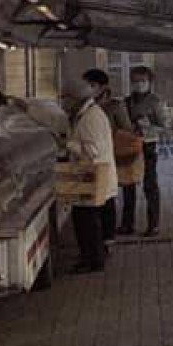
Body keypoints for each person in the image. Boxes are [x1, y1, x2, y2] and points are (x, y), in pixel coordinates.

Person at [60, 79, 117, 273]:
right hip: (89, 177)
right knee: (84, 219)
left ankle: (92, 260)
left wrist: (68, 144)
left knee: (87, 221)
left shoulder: (92, 117)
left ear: (76, 99)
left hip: (91, 177)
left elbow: (93, 150)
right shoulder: (85, 115)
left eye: (66, 99)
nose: (64, 103)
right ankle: (91, 256)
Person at [83, 69, 134, 248]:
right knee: (104, 197)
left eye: (91, 85)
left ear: (101, 86)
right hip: (101, 156)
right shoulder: (87, 107)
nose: (87, 89)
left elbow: (126, 129)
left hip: (112, 154)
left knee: (111, 196)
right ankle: (107, 236)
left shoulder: (114, 106)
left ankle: (112, 234)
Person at [124, 66, 166, 237]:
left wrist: (149, 127)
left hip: (148, 145)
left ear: (149, 82)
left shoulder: (155, 102)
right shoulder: (127, 102)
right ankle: (127, 223)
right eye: (135, 81)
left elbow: (165, 127)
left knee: (150, 185)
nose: (138, 84)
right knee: (128, 184)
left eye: (142, 81)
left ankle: (153, 224)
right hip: (129, 145)